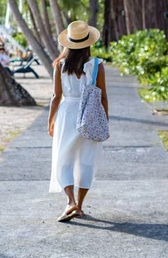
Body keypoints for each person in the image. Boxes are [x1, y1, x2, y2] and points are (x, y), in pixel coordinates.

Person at [48, 20, 109, 222]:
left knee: (63, 159)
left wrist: (51, 120)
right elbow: (103, 96)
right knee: (86, 160)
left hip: (67, 113)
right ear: (88, 43)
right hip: (89, 114)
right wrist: (104, 120)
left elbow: (56, 97)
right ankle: (79, 206)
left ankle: (70, 202)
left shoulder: (60, 65)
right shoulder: (97, 66)